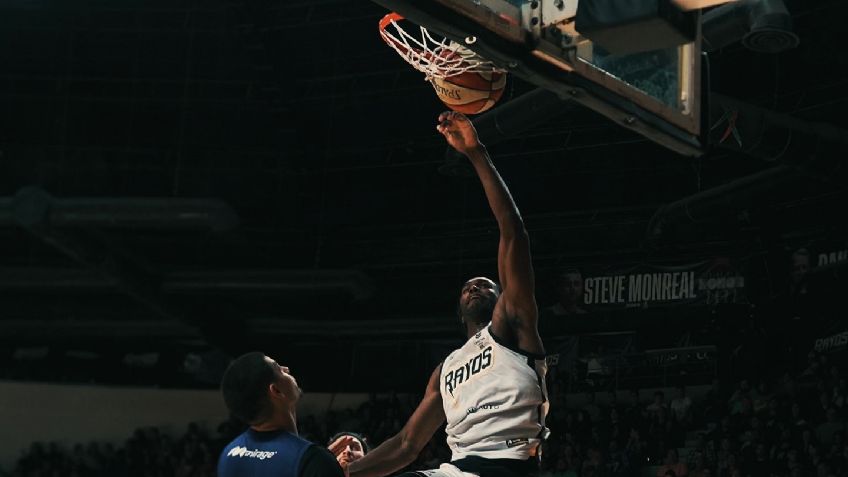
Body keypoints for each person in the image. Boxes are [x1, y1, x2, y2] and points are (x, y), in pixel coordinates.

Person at [343, 111, 549, 477]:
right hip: (458, 469)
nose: (476, 287)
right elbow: (407, 444)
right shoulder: (446, 369)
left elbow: (513, 231)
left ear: (502, 297)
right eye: (469, 285)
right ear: (458, 308)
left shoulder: (511, 325)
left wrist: (475, 152)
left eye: (487, 284)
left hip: (508, 466)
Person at [217, 351, 346, 477]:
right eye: (279, 369)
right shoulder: (312, 461)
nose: (287, 369)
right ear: (276, 391)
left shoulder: (228, 454)